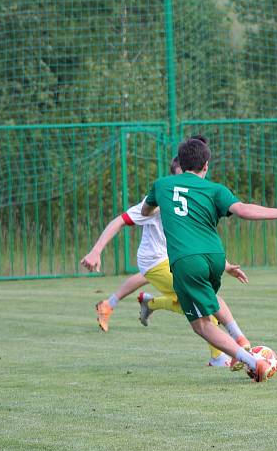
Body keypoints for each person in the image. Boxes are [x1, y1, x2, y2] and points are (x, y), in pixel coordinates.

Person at [142, 138, 277, 382]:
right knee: (209, 297)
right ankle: (239, 337)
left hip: (187, 261)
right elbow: (243, 210)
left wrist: (154, 210)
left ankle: (253, 362)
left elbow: (146, 211)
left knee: (201, 325)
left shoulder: (162, 185)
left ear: (180, 162)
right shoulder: (215, 189)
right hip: (216, 257)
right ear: (206, 165)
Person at [81, 148, 251, 367]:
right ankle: (219, 356)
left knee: (199, 303)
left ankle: (149, 303)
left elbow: (197, 239)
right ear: (176, 173)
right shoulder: (162, 195)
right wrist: (96, 250)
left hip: (176, 259)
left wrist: (226, 266)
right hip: (155, 260)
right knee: (206, 303)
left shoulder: (193, 196)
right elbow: (120, 220)